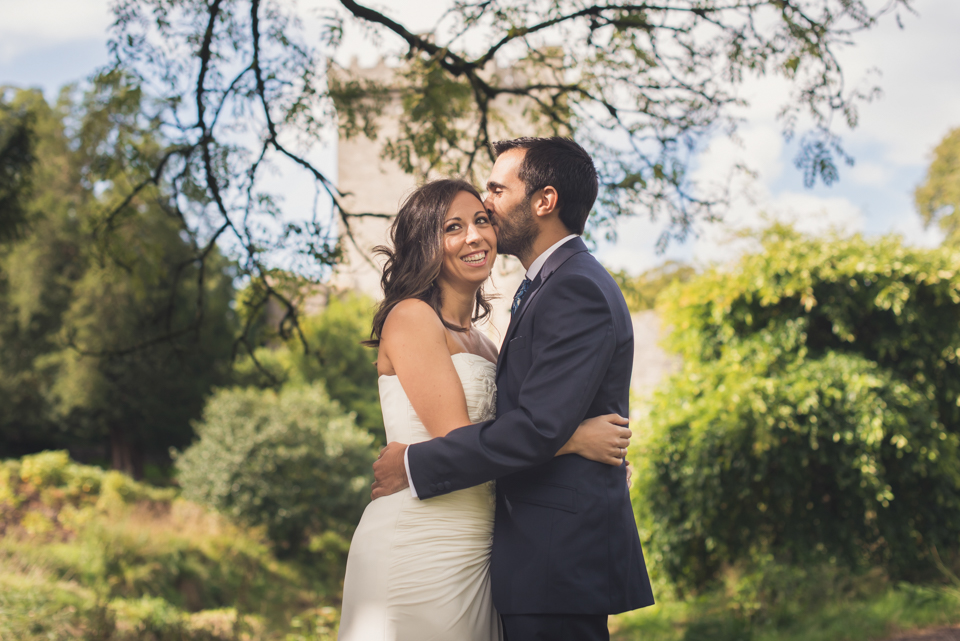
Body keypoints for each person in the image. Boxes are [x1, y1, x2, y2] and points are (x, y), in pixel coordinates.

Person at [371, 137, 655, 640]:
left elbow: (536, 426)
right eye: (454, 226)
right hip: (462, 545)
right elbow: (538, 423)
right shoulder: (543, 290)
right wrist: (573, 436)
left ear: (544, 201)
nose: (487, 212)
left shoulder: (572, 288)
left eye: (494, 195)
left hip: (548, 560)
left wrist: (412, 463)